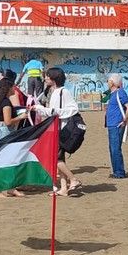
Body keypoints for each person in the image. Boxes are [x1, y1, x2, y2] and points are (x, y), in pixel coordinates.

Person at [32, 66, 82, 195]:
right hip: (55, 128)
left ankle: (73, 179)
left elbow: (72, 109)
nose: (46, 78)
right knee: (60, 158)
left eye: (48, 76)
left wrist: (48, 110)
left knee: (55, 158)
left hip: (63, 129)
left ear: (54, 78)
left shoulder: (63, 92)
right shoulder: (52, 91)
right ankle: (64, 188)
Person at [105, 73, 128, 178]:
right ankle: (116, 171)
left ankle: (119, 173)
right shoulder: (113, 93)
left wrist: (124, 120)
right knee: (113, 148)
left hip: (117, 125)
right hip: (112, 125)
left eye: (108, 80)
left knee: (115, 149)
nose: (107, 82)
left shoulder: (120, 92)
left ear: (112, 82)